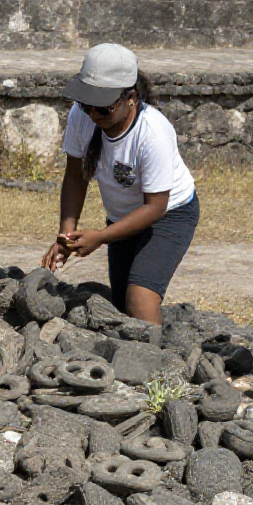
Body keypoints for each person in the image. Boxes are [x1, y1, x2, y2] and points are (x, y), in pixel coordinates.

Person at [41, 43, 199, 325]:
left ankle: (160, 366)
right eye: (85, 104)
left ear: (131, 98)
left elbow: (156, 207)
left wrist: (102, 237)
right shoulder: (82, 116)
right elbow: (76, 175)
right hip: (123, 217)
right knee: (121, 308)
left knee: (139, 299)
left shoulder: (153, 133)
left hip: (169, 214)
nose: (92, 114)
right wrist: (66, 235)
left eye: (102, 108)